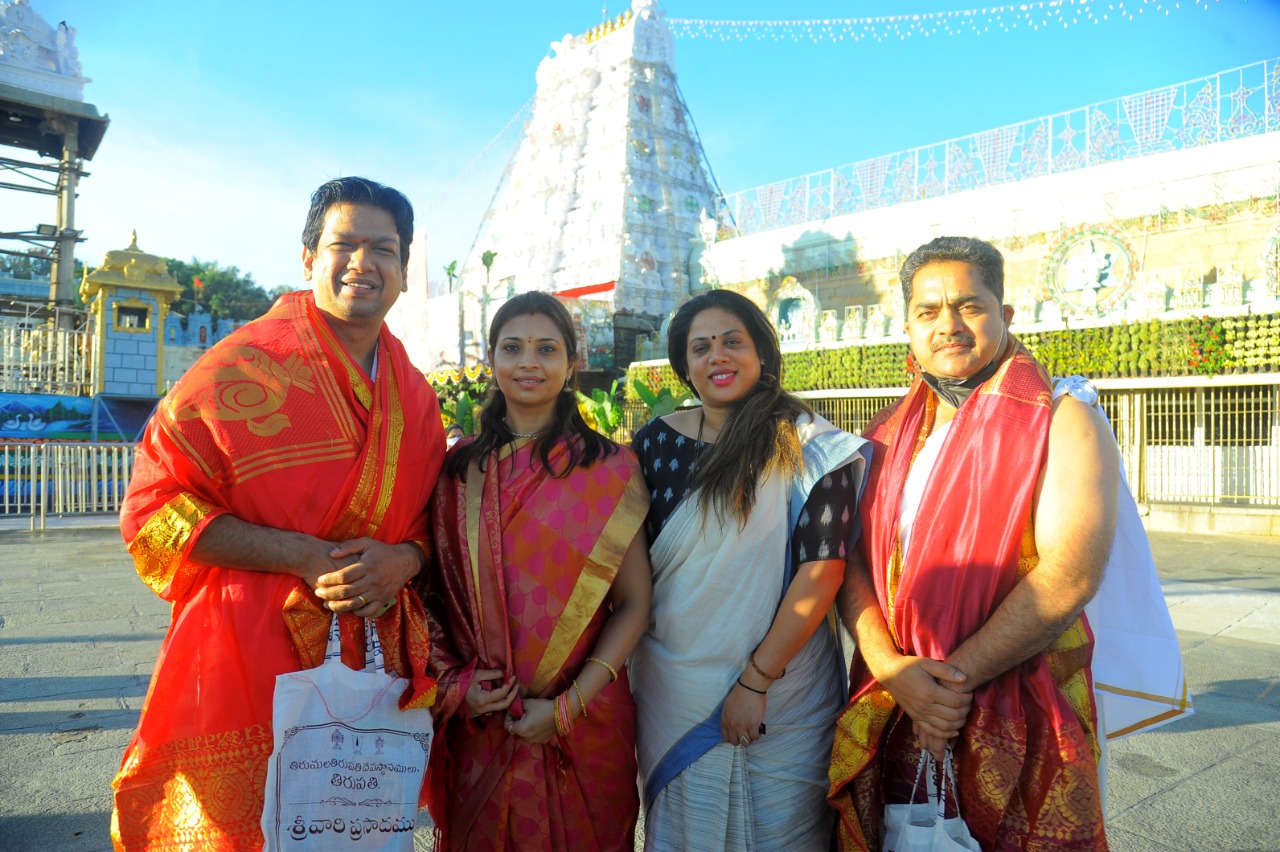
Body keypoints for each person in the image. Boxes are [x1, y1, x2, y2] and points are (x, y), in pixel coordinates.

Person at [112, 177, 446, 850]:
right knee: (242, 831)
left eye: (383, 248)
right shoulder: (240, 368)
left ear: (405, 272)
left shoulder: (415, 395)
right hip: (245, 650)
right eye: (343, 244)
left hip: (372, 652)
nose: (363, 262)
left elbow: (435, 523)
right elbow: (154, 509)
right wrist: (298, 554)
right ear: (307, 259)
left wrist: (404, 560)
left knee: (358, 829)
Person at [828, 236, 1119, 850]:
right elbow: (849, 560)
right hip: (902, 700)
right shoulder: (883, 436)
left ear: (1005, 315)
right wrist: (891, 669)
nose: (949, 326)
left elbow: (1069, 574)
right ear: (907, 326)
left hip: (1017, 697)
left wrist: (944, 689)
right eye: (928, 312)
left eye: (969, 306)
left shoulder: (1063, 417)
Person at [630, 289, 871, 851]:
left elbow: (824, 570)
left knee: (782, 832)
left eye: (733, 341)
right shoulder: (656, 442)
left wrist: (754, 681)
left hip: (784, 694)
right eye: (701, 347)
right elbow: (635, 563)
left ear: (761, 351)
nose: (718, 356)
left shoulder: (808, 444)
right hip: (676, 686)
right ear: (684, 366)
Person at [423, 291, 652, 850]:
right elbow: (427, 596)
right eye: (513, 347)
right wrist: (457, 687)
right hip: (482, 717)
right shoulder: (456, 469)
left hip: (587, 716)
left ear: (572, 362)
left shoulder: (609, 467)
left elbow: (635, 604)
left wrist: (569, 708)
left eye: (547, 348)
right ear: (493, 359)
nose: (529, 362)